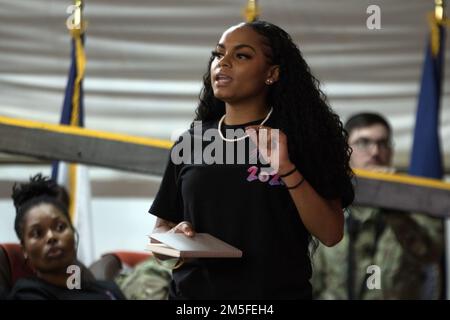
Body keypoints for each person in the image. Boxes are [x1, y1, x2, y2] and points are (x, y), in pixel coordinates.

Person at [148, 20, 354, 299]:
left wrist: (286, 169)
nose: (223, 63)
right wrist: (176, 239)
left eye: (241, 55)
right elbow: (159, 233)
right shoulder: (191, 140)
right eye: (219, 54)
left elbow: (330, 233)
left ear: (272, 73)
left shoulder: (301, 138)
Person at [312, 112, 444, 299]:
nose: (375, 151)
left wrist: (391, 201)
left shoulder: (416, 200)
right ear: (344, 150)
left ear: (390, 151)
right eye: (363, 143)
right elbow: (310, 278)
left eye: (383, 143)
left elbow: (429, 254)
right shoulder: (325, 201)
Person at [8, 174, 126, 300]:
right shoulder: (27, 294)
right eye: (37, 233)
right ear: (24, 249)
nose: (51, 237)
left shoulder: (109, 289)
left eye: (59, 227)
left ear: (73, 232)